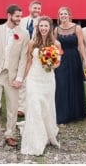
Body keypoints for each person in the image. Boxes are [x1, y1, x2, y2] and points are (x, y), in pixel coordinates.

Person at [0, 4, 29, 147]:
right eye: (17, 16)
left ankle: (10, 133)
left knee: (13, 107)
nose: (19, 18)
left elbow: (24, 58)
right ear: (9, 15)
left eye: (20, 16)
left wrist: (19, 78)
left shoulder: (24, 34)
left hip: (13, 76)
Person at [20, 16, 61, 156]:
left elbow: (58, 63)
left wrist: (51, 64)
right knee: (34, 106)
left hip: (48, 78)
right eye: (41, 26)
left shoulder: (56, 44)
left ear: (50, 27)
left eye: (46, 26)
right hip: (33, 78)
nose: (43, 28)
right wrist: (22, 79)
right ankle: (36, 139)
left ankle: (47, 133)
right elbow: (29, 62)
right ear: (37, 27)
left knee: (47, 106)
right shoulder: (32, 43)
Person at [54, 7, 86, 124]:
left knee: (74, 84)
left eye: (65, 14)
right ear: (59, 16)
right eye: (61, 14)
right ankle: (62, 113)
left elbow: (81, 45)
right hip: (61, 59)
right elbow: (54, 46)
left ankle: (75, 113)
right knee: (61, 84)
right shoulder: (56, 30)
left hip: (74, 58)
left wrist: (85, 60)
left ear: (69, 15)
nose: (63, 16)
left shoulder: (76, 27)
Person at [18, 0, 42, 117]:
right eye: (34, 8)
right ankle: (21, 108)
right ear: (29, 8)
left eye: (38, 8)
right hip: (22, 53)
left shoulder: (43, 22)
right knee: (22, 78)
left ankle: (34, 106)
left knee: (35, 79)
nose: (36, 10)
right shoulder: (21, 21)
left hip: (36, 54)